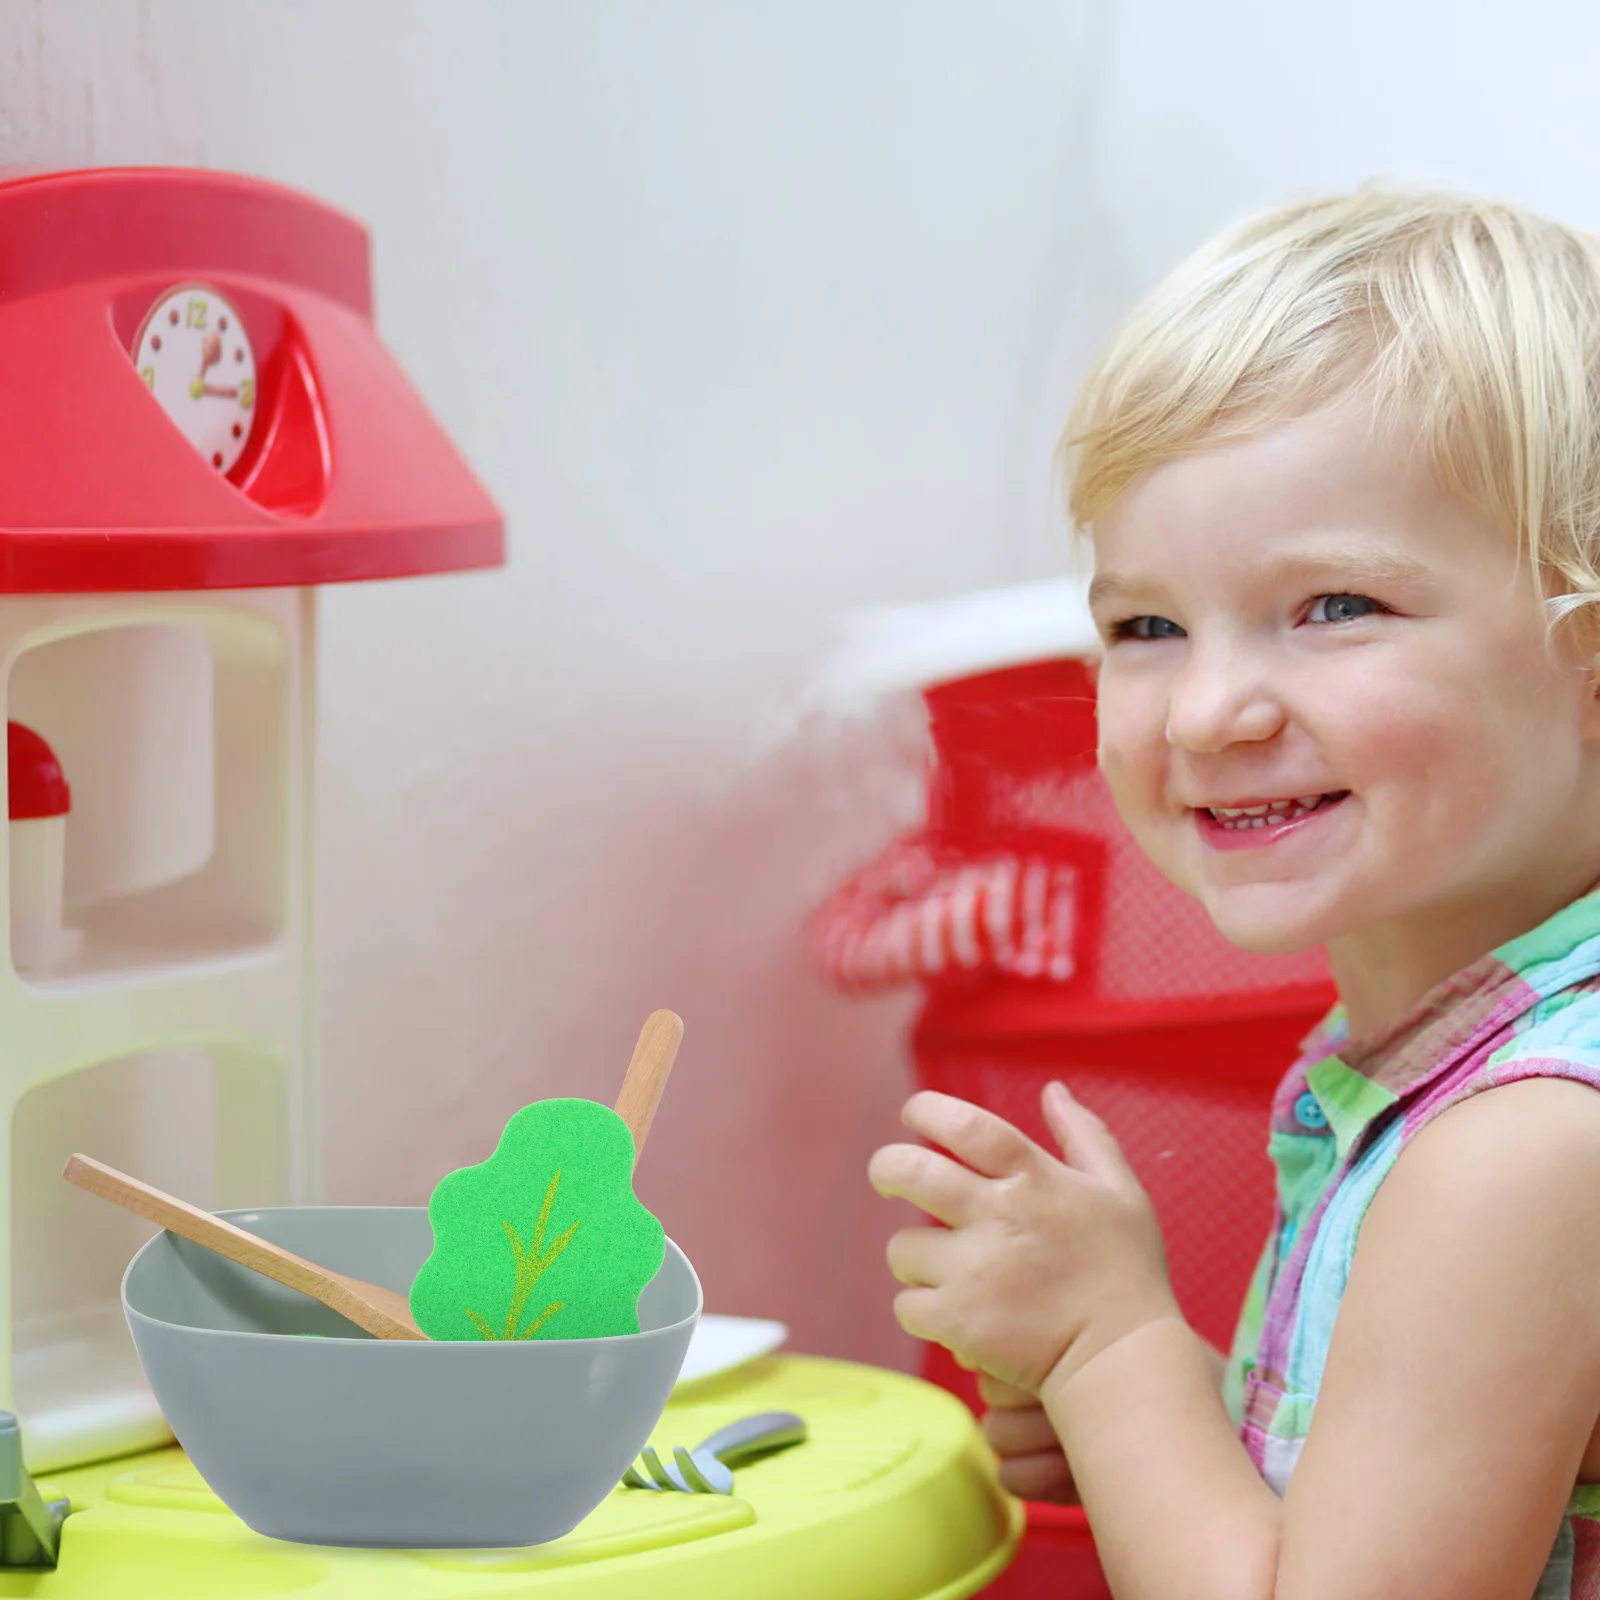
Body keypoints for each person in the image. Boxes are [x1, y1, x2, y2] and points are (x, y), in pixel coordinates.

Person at [868, 189, 1600, 1599]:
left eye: (1337, 607)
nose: (1208, 712)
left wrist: (1109, 1348)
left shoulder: (1525, 1147)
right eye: (1145, 625)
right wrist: (1176, 1429)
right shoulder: (1458, 1076)